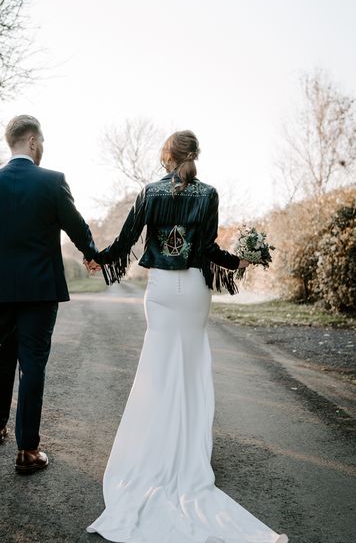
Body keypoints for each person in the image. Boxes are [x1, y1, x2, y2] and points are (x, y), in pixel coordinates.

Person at [85, 130, 288, 543]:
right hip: (195, 290)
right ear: (195, 156)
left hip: (160, 289)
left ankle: (157, 450)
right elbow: (208, 249)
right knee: (193, 369)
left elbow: (126, 241)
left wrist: (99, 259)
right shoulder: (209, 194)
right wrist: (240, 261)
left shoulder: (149, 193)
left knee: (159, 371)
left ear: (167, 156)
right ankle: (190, 455)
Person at [0, 115, 98, 474]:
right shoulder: (52, 182)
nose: (42, 148)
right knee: (32, 363)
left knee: (1, 354)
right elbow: (76, 225)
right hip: (40, 290)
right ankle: (28, 451)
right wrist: (91, 254)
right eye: (42, 142)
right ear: (32, 141)